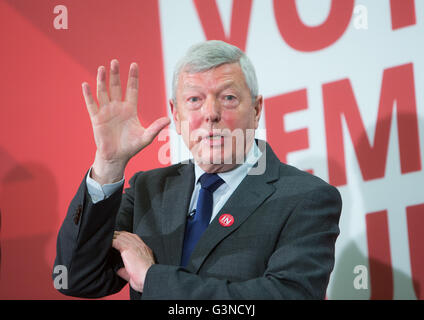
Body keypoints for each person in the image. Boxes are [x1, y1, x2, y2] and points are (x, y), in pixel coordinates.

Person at [53, 40, 342, 299]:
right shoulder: (149, 191)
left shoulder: (305, 197)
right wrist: (109, 164)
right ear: (176, 115)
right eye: (194, 100)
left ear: (256, 110)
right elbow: (76, 278)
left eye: (228, 97)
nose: (211, 113)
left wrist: (153, 280)